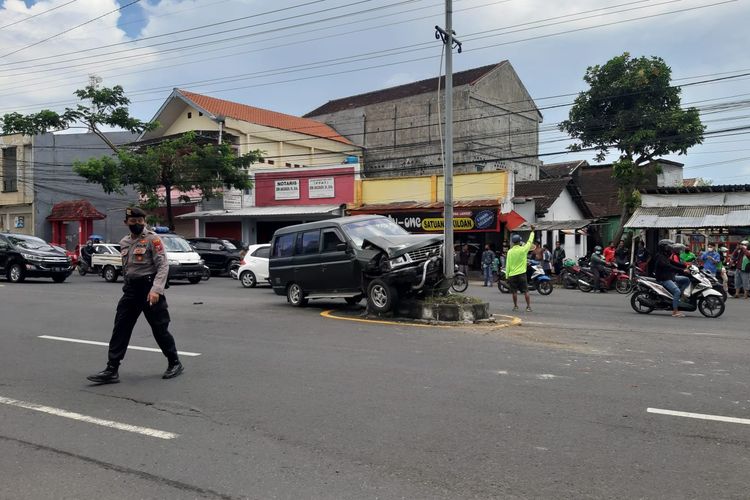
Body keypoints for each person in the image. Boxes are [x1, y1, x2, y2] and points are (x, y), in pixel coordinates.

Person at [87, 207, 183, 384]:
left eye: (140, 221)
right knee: (120, 328)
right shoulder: (124, 242)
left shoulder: (153, 239)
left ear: (145, 221)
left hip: (150, 289)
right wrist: (126, 285)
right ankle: (112, 368)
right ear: (126, 223)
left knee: (160, 329)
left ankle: (175, 362)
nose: (137, 224)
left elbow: (163, 265)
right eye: (133, 221)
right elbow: (126, 267)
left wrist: (156, 290)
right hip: (131, 291)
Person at [654, 240, 691, 317]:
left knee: (686, 280)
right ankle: (675, 311)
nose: (670, 249)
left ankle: (679, 297)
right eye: (668, 247)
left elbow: (673, 263)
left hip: (670, 276)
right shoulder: (660, 257)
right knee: (677, 291)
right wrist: (682, 270)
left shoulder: (665, 256)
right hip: (664, 278)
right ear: (664, 248)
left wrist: (685, 265)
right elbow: (669, 267)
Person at [506, 226, 536, 312]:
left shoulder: (510, 252)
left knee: (514, 292)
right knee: (526, 291)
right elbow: (530, 242)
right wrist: (532, 231)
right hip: (522, 274)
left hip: (512, 274)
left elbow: (508, 264)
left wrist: (507, 275)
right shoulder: (523, 250)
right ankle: (528, 307)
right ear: (519, 242)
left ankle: (515, 306)